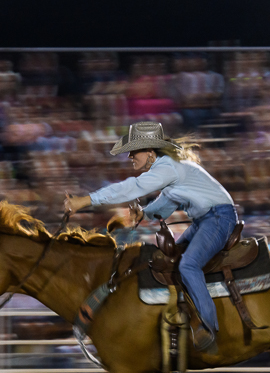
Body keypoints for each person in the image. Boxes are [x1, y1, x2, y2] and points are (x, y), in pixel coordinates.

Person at [64, 121, 237, 352]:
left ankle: (209, 328)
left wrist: (84, 201)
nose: (130, 157)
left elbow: (130, 188)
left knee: (188, 266)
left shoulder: (167, 168)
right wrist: (144, 213)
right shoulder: (170, 168)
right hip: (209, 219)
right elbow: (164, 205)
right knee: (171, 260)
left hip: (217, 219)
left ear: (150, 152)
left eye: (134, 152)